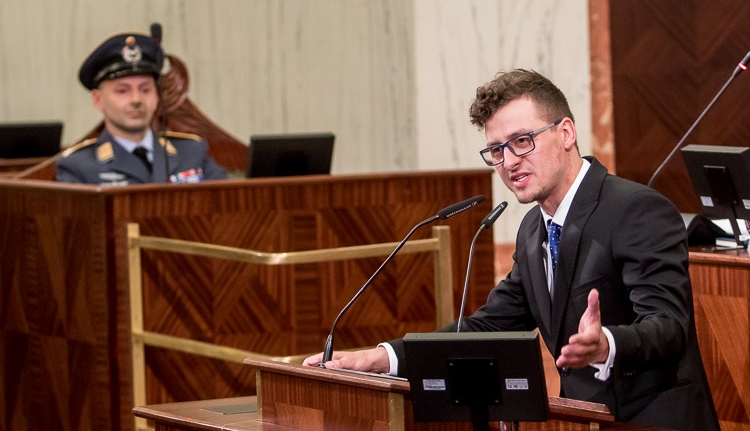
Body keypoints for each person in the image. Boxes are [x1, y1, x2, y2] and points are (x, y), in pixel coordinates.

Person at [304, 69, 720, 429]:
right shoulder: (533, 230)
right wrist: (380, 359)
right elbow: (488, 328)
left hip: (654, 420)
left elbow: (668, 324)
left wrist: (606, 344)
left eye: (522, 141)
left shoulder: (636, 209)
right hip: (587, 420)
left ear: (566, 133)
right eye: (497, 149)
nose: (509, 161)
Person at [56, 31, 227, 185]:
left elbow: (227, 202)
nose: (136, 100)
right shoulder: (79, 166)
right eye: (122, 91)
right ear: (98, 99)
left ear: (157, 97)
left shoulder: (191, 152)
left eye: (145, 90)